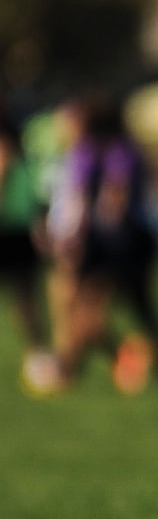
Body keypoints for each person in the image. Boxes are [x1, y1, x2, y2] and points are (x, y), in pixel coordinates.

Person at [44, 95, 158, 393]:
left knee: (105, 308)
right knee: (91, 309)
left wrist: (77, 236)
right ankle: (80, 366)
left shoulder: (116, 152)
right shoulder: (94, 151)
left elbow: (111, 199)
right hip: (108, 241)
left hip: (122, 242)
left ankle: (76, 368)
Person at [0, 113, 59, 394]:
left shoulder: (13, 154)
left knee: (26, 302)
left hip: (11, 230)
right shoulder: (25, 157)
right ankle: (40, 356)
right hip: (18, 231)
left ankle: (40, 357)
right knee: (26, 302)